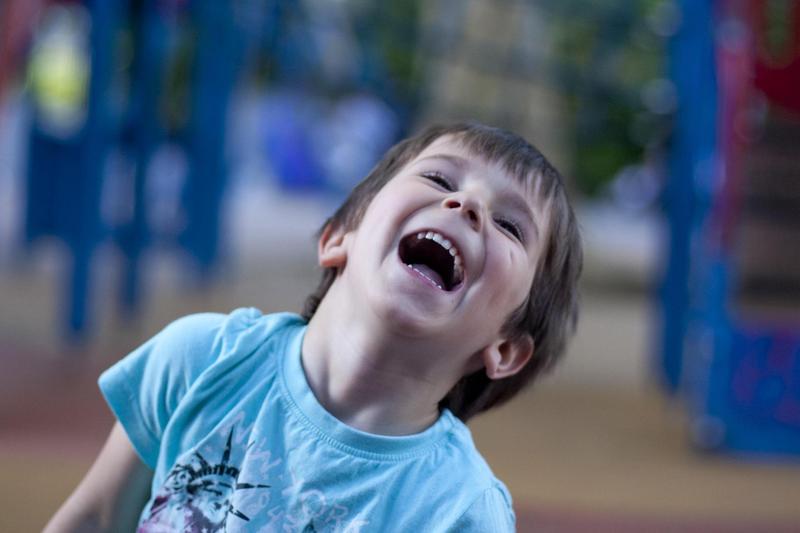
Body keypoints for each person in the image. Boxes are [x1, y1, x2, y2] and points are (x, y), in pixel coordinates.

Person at [44, 121, 582, 532]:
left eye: (510, 225)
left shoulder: (458, 511)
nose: (465, 204)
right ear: (338, 237)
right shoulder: (202, 359)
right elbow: (94, 518)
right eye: (440, 177)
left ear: (507, 348)